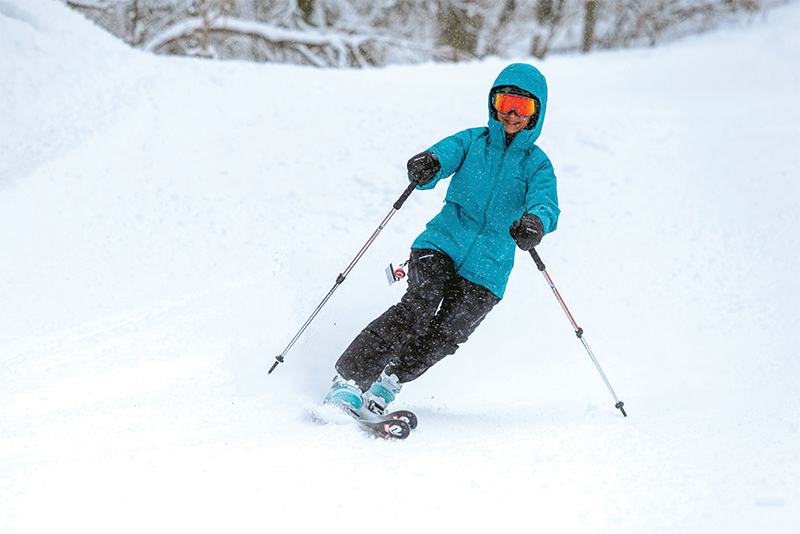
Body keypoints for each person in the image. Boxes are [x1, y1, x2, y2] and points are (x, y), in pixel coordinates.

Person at [325, 63, 560, 417]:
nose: (511, 114)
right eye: (504, 102)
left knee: (448, 333)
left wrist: (534, 223)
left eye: (522, 107)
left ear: (536, 114)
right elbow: (444, 154)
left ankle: (387, 382)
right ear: (492, 103)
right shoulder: (472, 141)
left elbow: (546, 203)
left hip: (489, 269)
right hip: (440, 244)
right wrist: (430, 163)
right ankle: (350, 380)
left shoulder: (538, 165)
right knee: (417, 309)